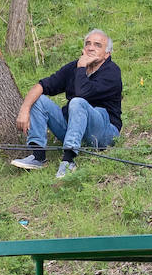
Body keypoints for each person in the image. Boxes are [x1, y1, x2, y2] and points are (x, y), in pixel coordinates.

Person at [11, 29, 122, 179]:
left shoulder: (112, 72)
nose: (90, 47)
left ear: (106, 54)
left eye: (97, 45)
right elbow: (42, 85)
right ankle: (38, 156)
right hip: (74, 129)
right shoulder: (74, 67)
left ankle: (68, 161)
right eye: (88, 43)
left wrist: (82, 67)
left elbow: (83, 93)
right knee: (39, 99)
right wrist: (24, 110)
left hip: (103, 133)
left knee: (77, 102)